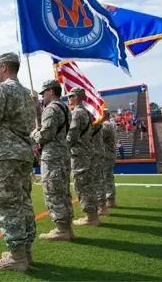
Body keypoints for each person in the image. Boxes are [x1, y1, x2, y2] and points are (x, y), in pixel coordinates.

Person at [0, 52, 36, 272]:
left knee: (8, 205)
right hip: (24, 154)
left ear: (3, 67)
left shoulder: (2, 90)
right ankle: (26, 251)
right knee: (23, 202)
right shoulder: (27, 93)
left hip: (6, 154)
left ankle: (17, 257)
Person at [31, 80, 74, 241]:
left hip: (52, 156)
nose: (42, 97)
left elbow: (45, 134)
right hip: (62, 154)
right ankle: (67, 228)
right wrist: (37, 108)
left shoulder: (51, 109)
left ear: (50, 91)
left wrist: (34, 134)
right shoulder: (63, 108)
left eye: (43, 94)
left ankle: (61, 229)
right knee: (63, 191)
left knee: (53, 191)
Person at [66, 87, 101, 225]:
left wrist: (63, 146)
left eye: (70, 96)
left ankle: (91, 217)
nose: (68, 99)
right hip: (87, 152)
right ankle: (93, 215)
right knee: (88, 184)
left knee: (82, 185)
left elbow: (72, 135)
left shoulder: (76, 114)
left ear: (76, 97)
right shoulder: (86, 113)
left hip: (79, 154)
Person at [102, 108, 118, 208]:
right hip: (108, 154)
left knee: (106, 177)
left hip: (106, 155)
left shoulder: (106, 125)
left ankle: (110, 200)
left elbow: (99, 136)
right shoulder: (109, 124)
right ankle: (110, 200)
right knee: (108, 177)